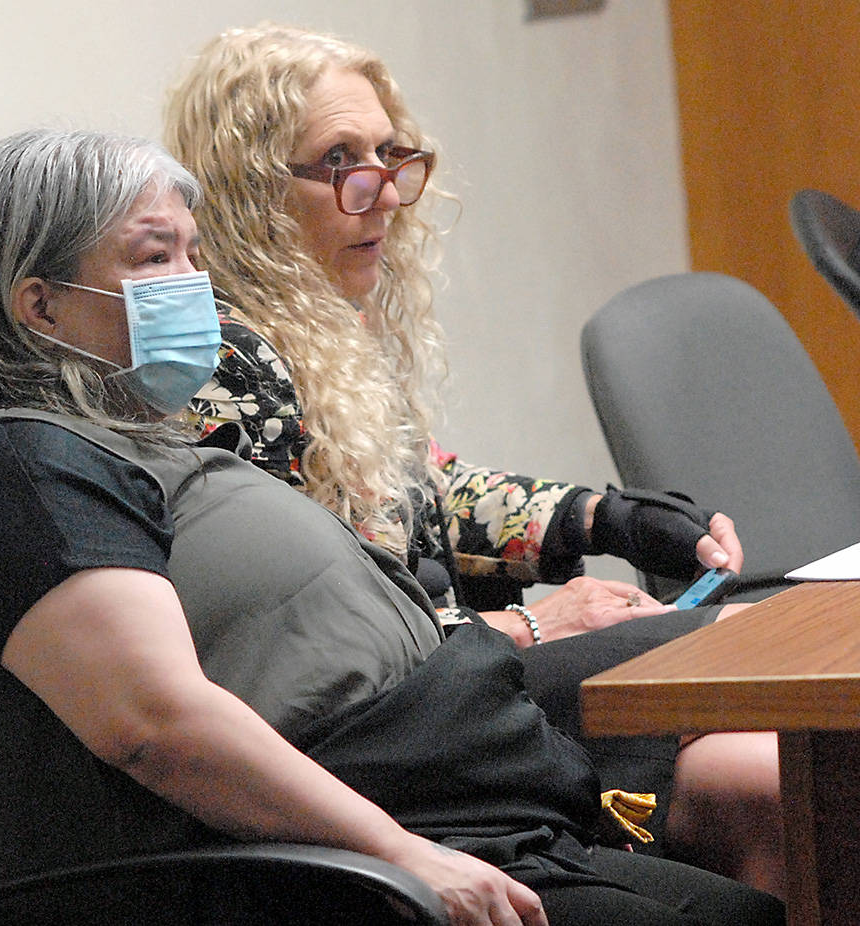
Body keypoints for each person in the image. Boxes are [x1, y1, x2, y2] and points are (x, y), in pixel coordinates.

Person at [0, 128, 782, 925]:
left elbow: (413, 496)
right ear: (39, 305)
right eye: (153, 258)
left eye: (193, 254)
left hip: (438, 743)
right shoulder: (16, 469)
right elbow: (157, 727)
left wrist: (595, 517)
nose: (190, 285)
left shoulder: (114, 427)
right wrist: (405, 856)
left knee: (757, 688)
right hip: (351, 834)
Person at [162, 23, 782, 893]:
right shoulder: (223, 372)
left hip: (461, 687)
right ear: (247, 190)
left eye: (388, 155)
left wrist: (601, 518)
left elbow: (420, 493)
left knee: (767, 738)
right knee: (755, 676)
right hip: (402, 733)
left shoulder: (318, 326)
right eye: (341, 161)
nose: (384, 193)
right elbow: (314, 641)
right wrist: (533, 626)